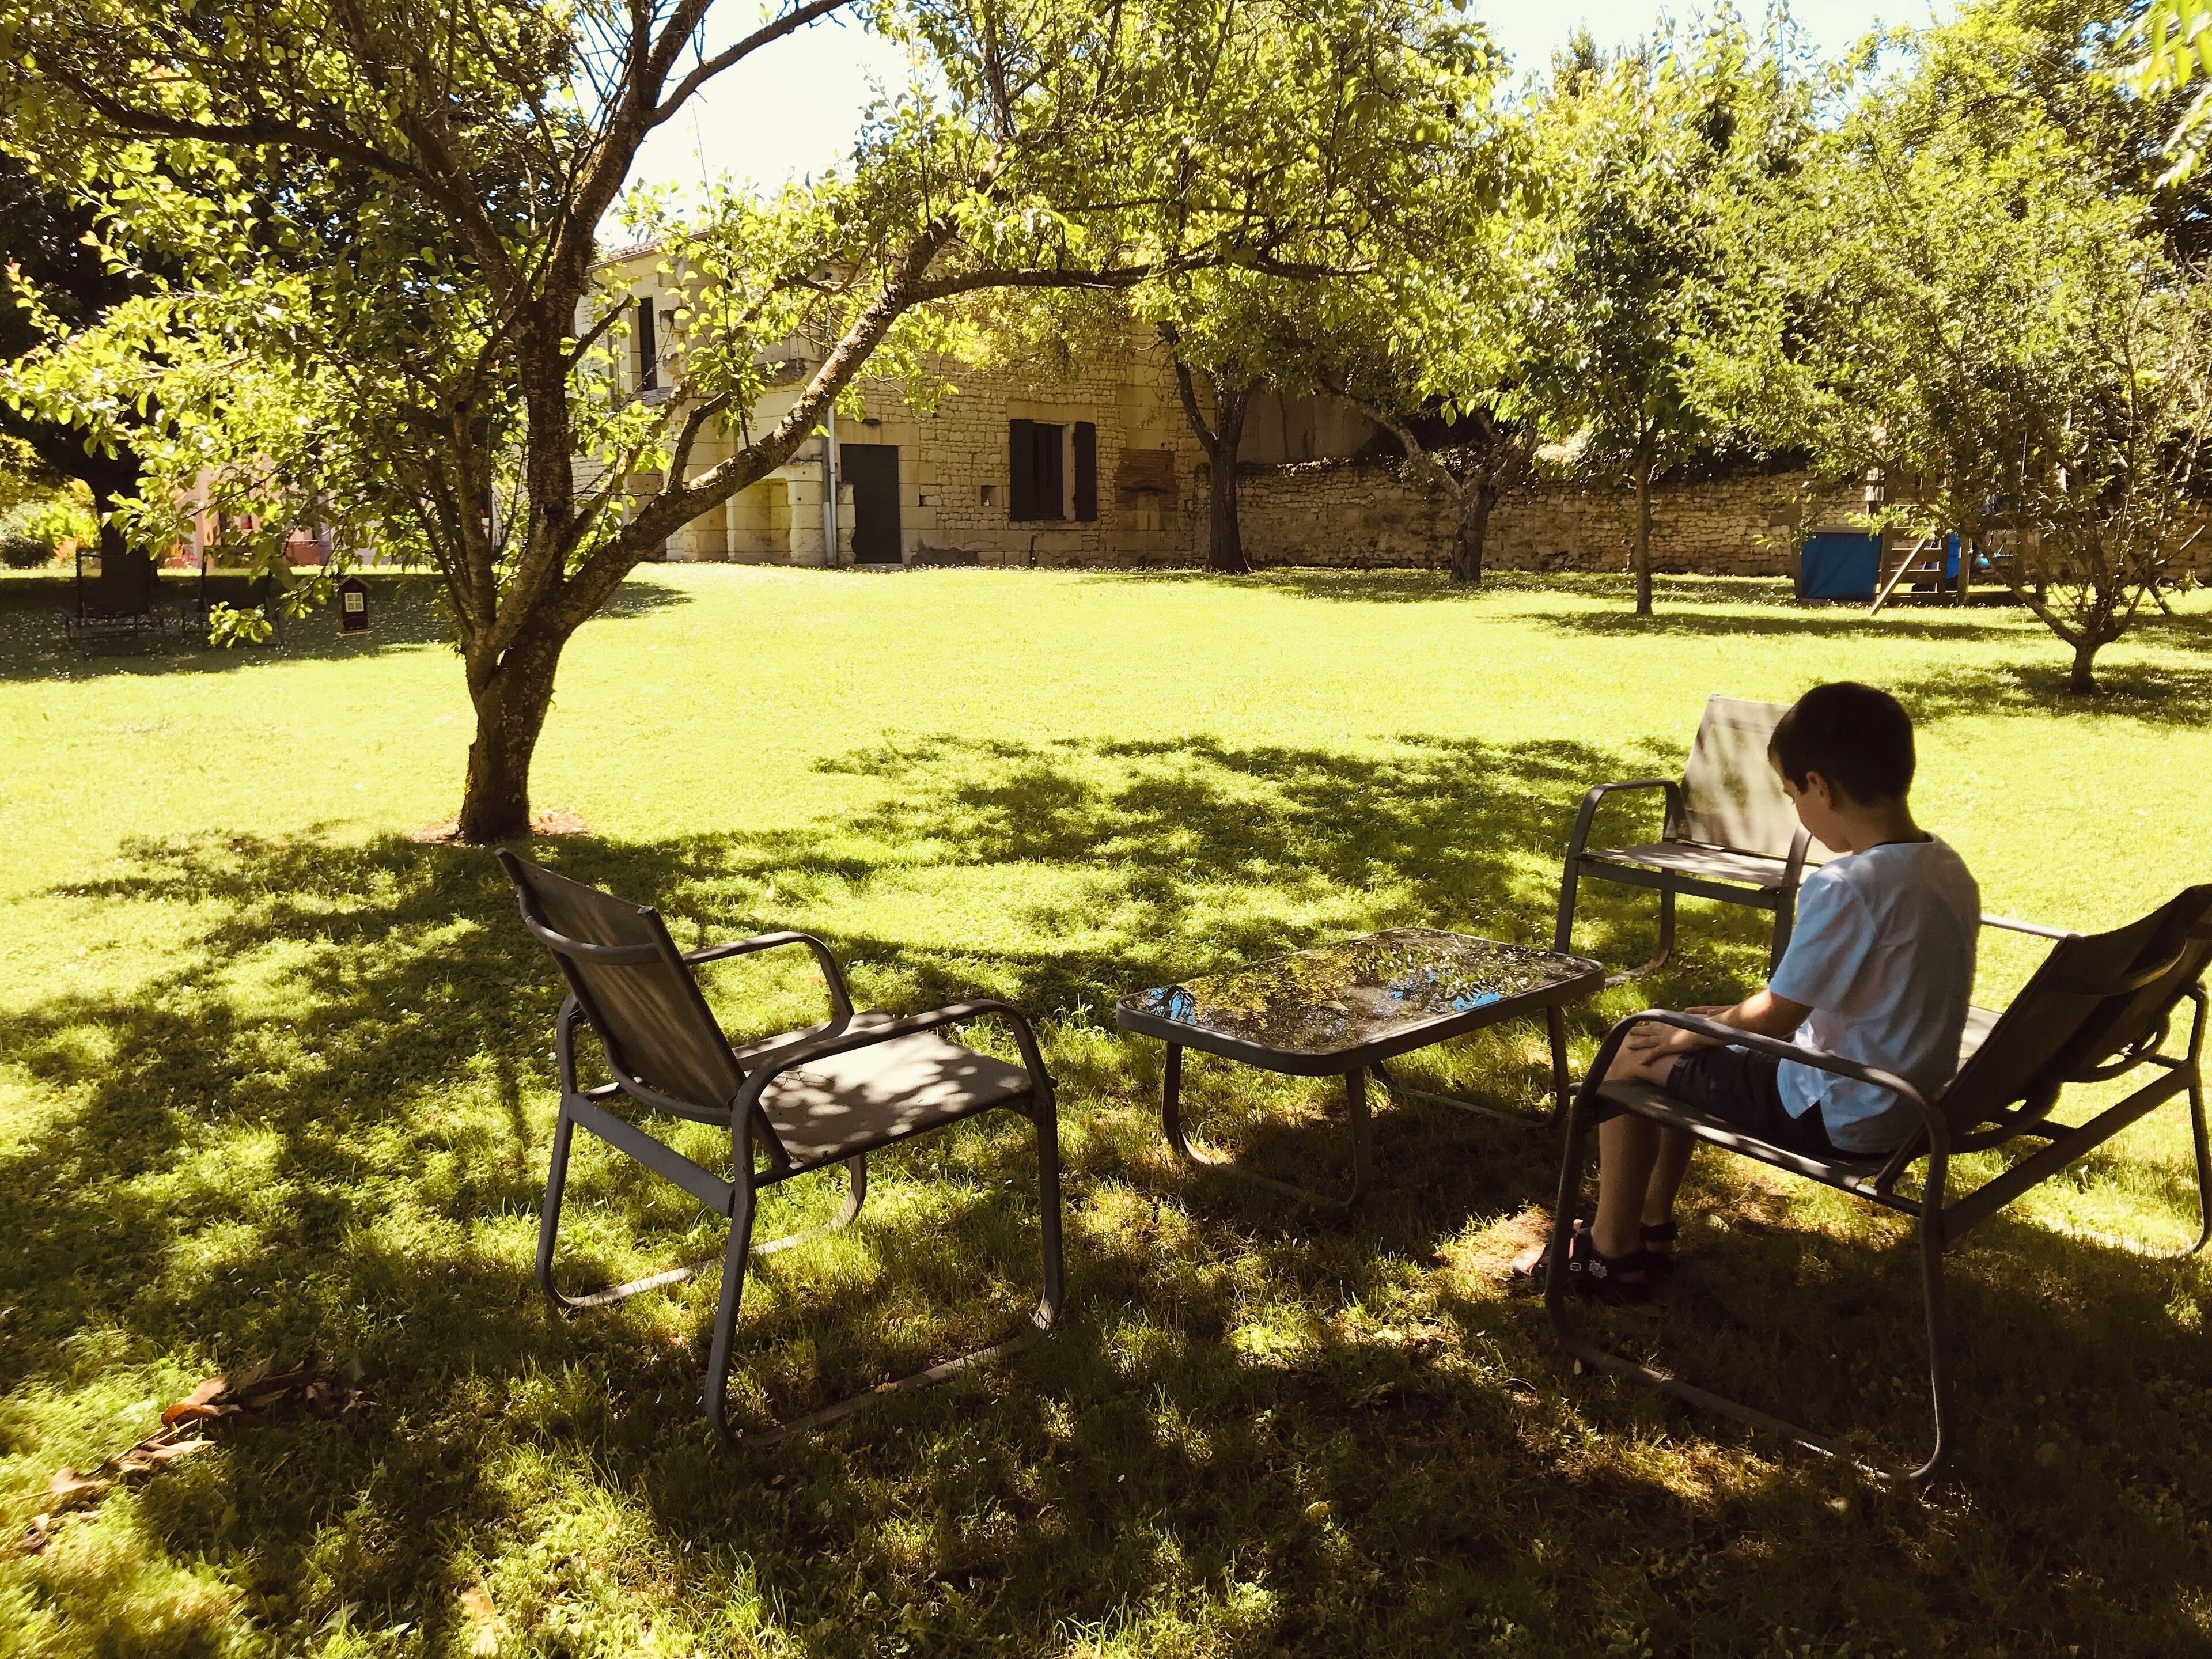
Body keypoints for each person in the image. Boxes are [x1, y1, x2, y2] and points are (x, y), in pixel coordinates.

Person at [1517, 681, 1980, 1297]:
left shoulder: (1850, 885)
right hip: (1908, 1096)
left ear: (1822, 786)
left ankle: (1610, 1250)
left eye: (1792, 795)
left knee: (1629, 1050)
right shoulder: (1943, 864)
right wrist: (1707, 1027)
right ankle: (1650, 1222)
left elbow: (1777, 1016)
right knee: (1683, 1036)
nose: (1798, 812)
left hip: (1842, 1111)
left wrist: (1689, 1033)